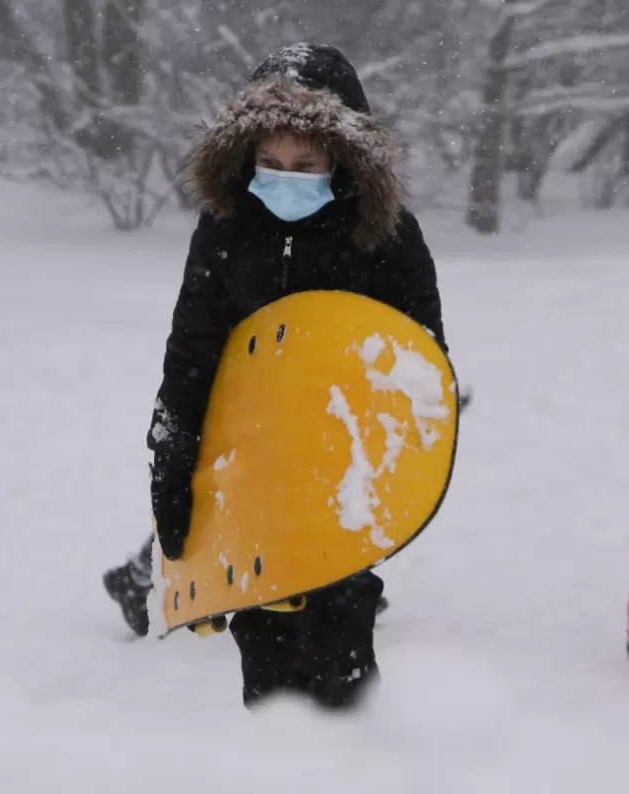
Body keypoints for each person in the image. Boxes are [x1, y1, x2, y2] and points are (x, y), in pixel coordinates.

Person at [105, 43, 446, 709]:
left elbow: (419, 359)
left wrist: (387, 459)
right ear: (248, 153)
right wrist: (172, 464)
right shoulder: (227, 227)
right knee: (266, 651)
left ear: (341, 161)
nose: (285, 176)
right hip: (255, 470)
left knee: (341, 640)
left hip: (341, 468)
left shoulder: (385, 234)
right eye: (270, 162)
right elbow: (193, 351)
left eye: (305, 164)